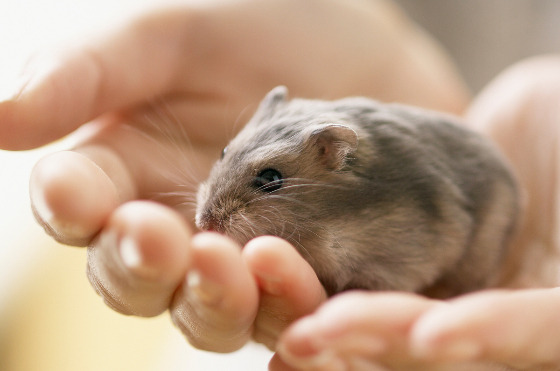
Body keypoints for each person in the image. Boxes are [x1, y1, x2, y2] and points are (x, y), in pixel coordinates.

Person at [1, 0, 559, 369]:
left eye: (268, 180)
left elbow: (429, 242)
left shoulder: (386, 209)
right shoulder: (297, 149)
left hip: (489, 202)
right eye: (226, 157)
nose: (211, 205)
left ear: (334, 154)